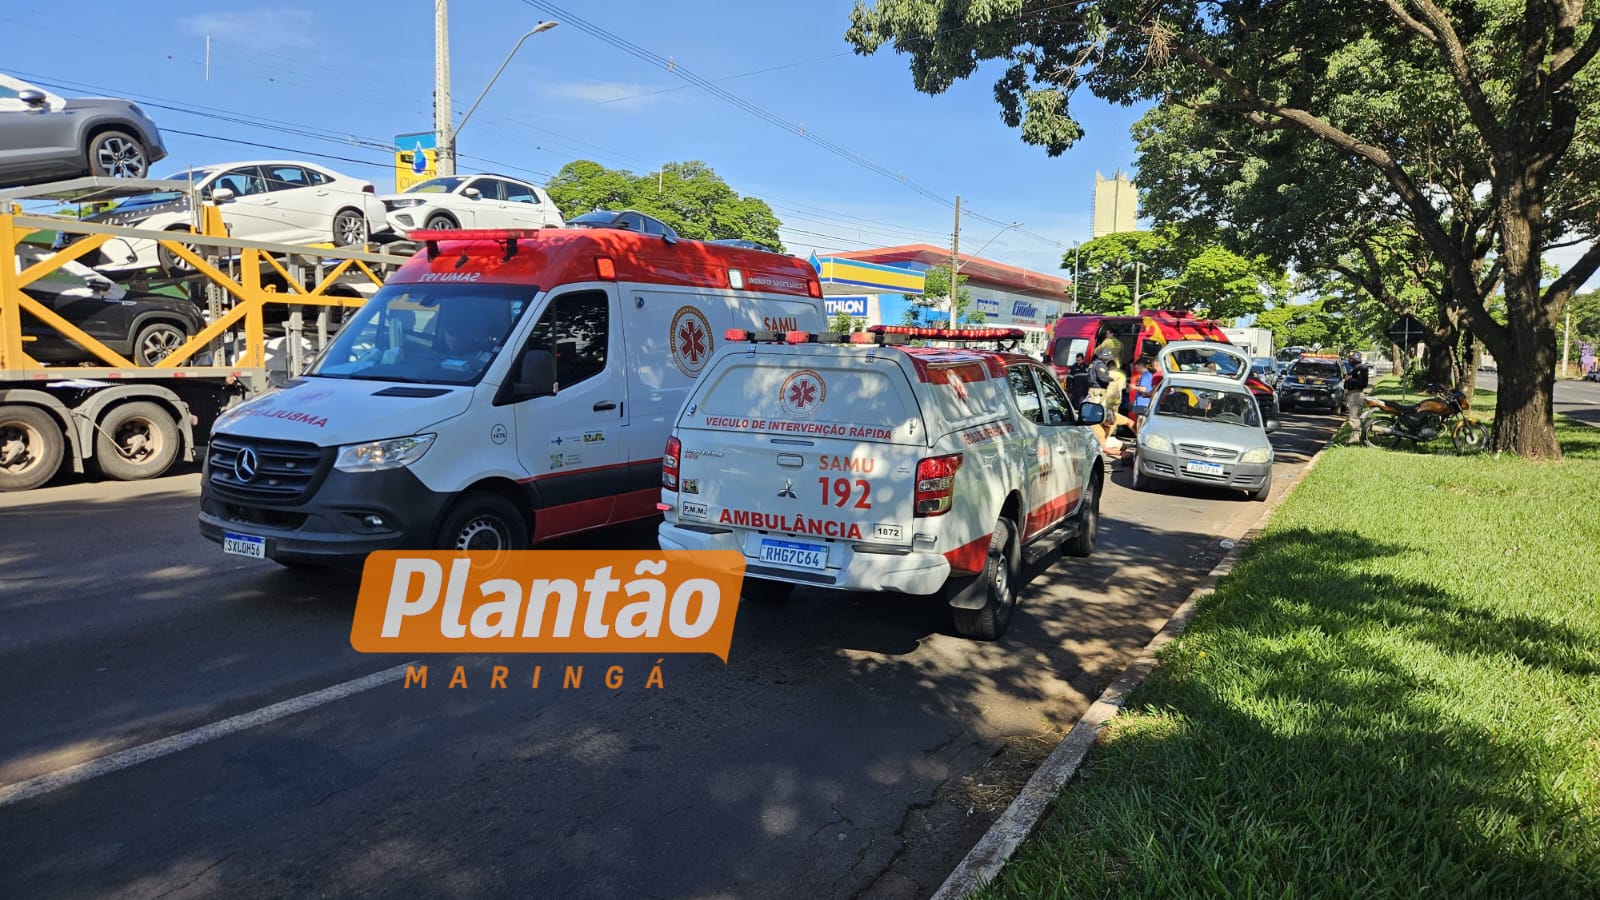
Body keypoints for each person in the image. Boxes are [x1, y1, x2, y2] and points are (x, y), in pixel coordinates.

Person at [1343, 350, 1370, 442]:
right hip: (1352, 394)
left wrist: (1350, 379)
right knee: (1353, 416)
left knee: (1354, 417)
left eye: (1350, 358)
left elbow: (1362, 383)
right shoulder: (1354, 369)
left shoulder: (1361, 369)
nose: (1349, 360)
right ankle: (1354, 436)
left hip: (1356, 395)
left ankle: (1355, 438)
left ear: (1355, 359)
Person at [1128, 359, 1155, 434]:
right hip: (1143, 403)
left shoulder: (1146, 375)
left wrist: (1134, 387)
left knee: (1141, 425)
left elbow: (1144, 389)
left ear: (1141, 365)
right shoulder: (1147, 375)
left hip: (1143, 404)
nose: (1136, 370)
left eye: (1137, 368)